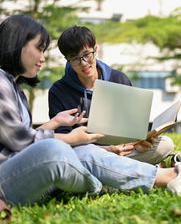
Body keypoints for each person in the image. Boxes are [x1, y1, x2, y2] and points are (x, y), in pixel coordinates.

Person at [0, 15, 181, 207]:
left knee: (80, 150)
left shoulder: (13, 88)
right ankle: (169, 176)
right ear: (16, 44)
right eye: (38, 48)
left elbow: (15, 138)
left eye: (44, 50)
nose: (43, 58)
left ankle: (110, 179)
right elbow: (20, 142)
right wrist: (71, 137)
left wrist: (54, 124)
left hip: (15, 175)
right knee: (64, 150)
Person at [49, 25, 174, 165]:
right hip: (87, 156)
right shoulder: (58, 91)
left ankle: (116, 175)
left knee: (166, 144)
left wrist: (139, 142)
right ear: (67, 60)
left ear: (95, 50)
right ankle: (133, 170)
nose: (83, 63)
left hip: (124, 152)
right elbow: (64, 143)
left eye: (86, 55)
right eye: (75, 59)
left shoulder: (119, 79)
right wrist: (108, 150)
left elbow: (131, 125)